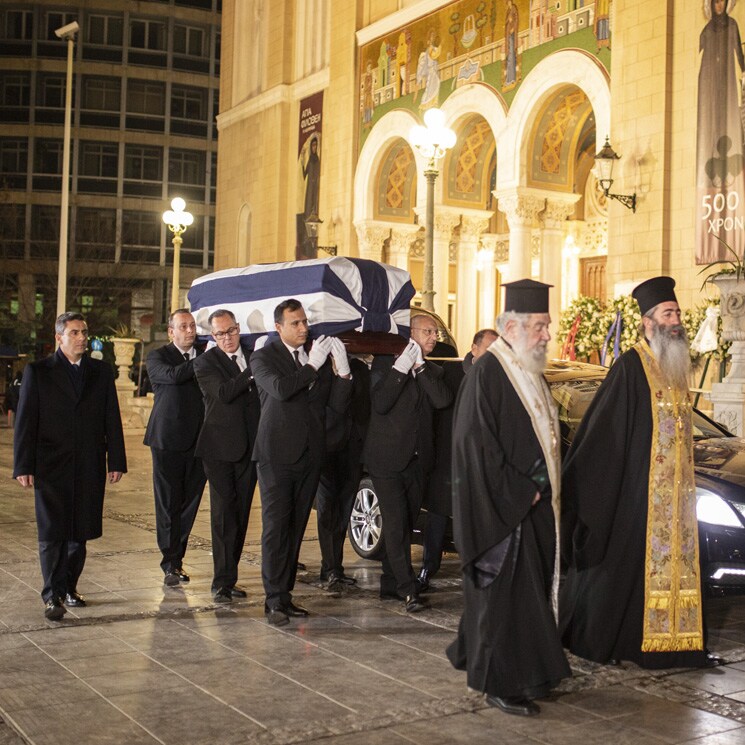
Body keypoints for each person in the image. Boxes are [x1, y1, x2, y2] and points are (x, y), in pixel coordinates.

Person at [560, 276, 713, 669]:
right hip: (640, 496)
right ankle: (633, 643)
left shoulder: (676, 367)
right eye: (668, 313)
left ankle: (680, 643)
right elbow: (603, 433)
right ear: (648, 322)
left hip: (678, 500)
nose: (676, 319)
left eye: (677, 312)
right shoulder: (631, 367)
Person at [446, 280, 570, 717]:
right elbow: (476, 448)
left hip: (531, 507)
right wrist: (525, 491)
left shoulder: (526, 367)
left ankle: (532, 673)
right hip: (502, 512)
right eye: (540, 327)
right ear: (513, 327)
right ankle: (498, 682)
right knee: (502, 603)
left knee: (528, 599)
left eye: (547, 326)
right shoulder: (489, 373)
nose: (547, 335)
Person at [13, 312, 126, 621]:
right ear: (59, 337)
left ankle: (69, 588)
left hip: (89, 465)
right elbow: (25, 422)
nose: (81, 338)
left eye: (84, 332)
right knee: (52, 532)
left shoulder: (101, 373)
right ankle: (52, 595)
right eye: (74, 332)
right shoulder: (39, 372)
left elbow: (111, 418)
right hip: (50, 466)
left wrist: (115, 459)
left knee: (80, 533)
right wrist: (23, 464)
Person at [251, 299, 352, 626]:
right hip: (276, 457)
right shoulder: (264, 357)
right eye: (295, 323)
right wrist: (310, 367)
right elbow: (281, 390)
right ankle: (273, 601)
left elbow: (333, 407)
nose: (303, 328)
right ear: (279, 327)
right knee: (276, 528)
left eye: (305, 321)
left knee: (295, 529)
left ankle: (286, 595)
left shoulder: (315, 358)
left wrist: (343, 373)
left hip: (309, 456)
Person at [363, 315, 452, 613]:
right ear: (410, 333)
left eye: (435, 332)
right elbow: (381, 403)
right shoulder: (385, 364)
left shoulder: (432, 370)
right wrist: (401, 369)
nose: (433, 337)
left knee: (407, 521)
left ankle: (390, 583)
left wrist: (420, 368)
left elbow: (441, 401)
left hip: (417, 461)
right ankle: (407, 588)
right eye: (427, 331)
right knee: (397, 522)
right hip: (387, 459)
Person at [417, 328, 498, 592]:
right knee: (439, 515)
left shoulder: (499, 379)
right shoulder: (450, 373)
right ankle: (429, 567)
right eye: (489, 349)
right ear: (474, 349)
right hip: (448, 457)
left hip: (480, 461)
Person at [193, 309, 261, 603]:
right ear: (212, 336)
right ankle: (221, 581)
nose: (227, 338)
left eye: (231, 331)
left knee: (241, 513)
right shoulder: (205, 363)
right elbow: (223, 393)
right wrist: (252, 371)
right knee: (223, 515)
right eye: (220, 334)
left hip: (249, 448)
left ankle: (230, 575)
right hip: (219, 450)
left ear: (238, 328)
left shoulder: (253, 355)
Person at [143, 309, 207, 587]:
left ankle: (177, 557)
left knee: (189, 503)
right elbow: (173, 376)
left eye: (192, 326)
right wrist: (205, 360)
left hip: (199, 442)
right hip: (167, 442)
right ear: (171, 332)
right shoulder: (158, 357)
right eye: (183, 326)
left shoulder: (205, 354)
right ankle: (170, 562)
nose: (190, 331)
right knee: (169, 503)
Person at [316, 356, 371, 591]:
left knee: (345, 507)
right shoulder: (317, 366)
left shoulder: (359, 367)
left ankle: (333, 566)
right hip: (327, 446)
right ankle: (330, 568)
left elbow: (365, 404)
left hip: (353, 446)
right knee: (328, 508)